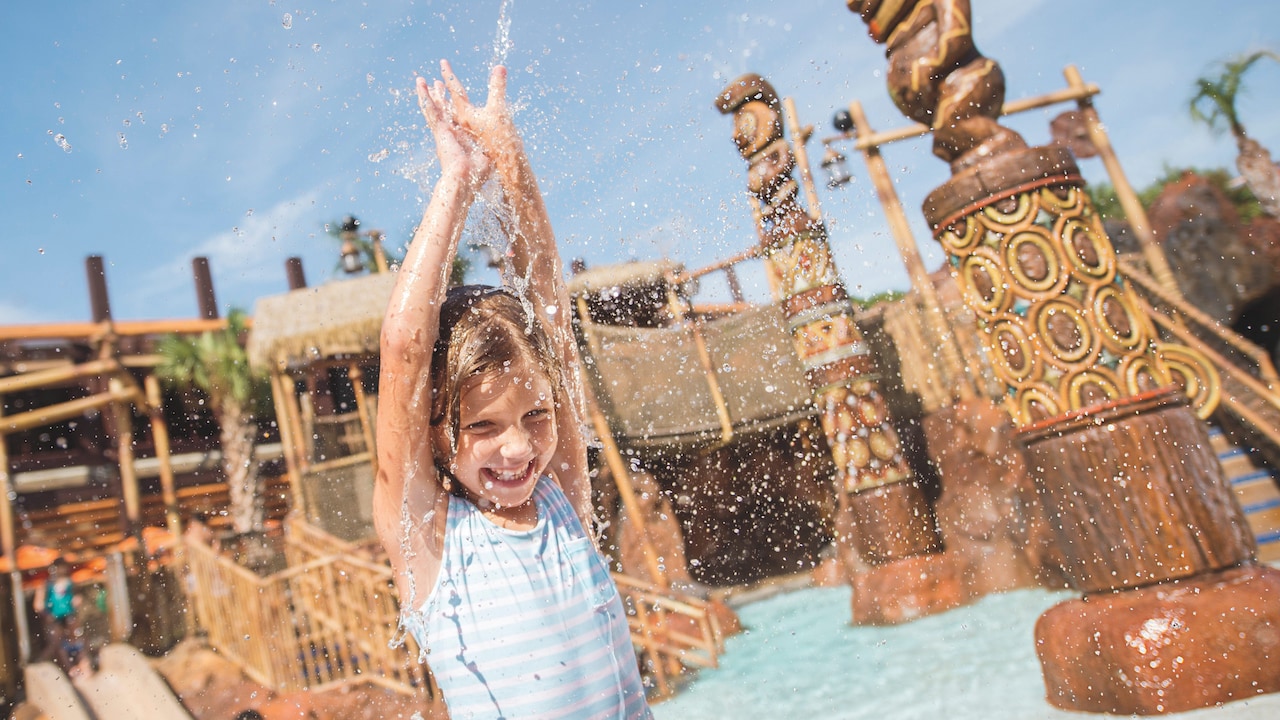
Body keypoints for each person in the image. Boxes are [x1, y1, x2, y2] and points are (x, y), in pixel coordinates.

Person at [371, 60, 651, 719]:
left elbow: (550, 304)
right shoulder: (429, 540)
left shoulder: (561, 495)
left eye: (536, 415)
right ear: (438, 432)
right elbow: (406, 345)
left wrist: (508, 150)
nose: (520, 447)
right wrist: (458, 182)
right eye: (483, 426)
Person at [33, 558, 78, 669]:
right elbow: (38, 604)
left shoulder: (70, 582)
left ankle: (74, 667)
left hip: (69, 615)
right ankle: (40, 664)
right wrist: (46, 615)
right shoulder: (48, 584)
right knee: (55, 644)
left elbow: (76, 598)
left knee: (73, 641)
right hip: (54, 617)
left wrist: (76, 603)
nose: (61, 570)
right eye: (59, 567)